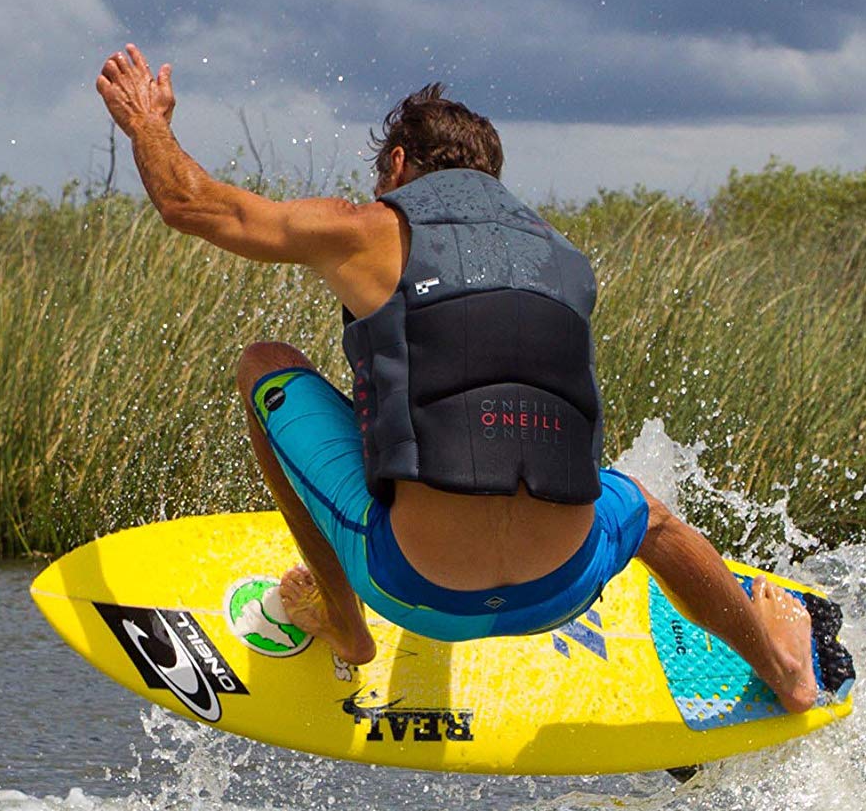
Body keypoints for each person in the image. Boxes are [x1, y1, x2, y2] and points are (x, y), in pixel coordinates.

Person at [93, 46, 821, 714]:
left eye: (383, 179)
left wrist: (145, 123)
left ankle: (345, 628)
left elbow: (192, 205)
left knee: (266, 364)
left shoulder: (365, 228)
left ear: (400, 165)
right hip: (564, 587)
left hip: (413, 587)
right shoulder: (565, 259)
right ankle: (784, 671)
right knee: (651, 518)